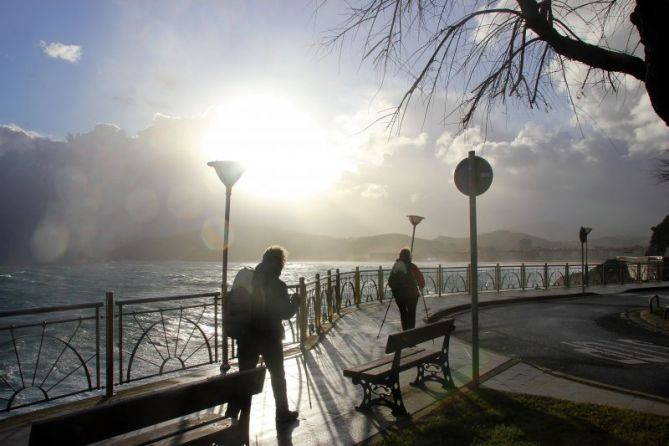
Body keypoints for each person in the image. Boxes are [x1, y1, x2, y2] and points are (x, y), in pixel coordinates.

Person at [225, 246, 300, 425]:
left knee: (245, 376)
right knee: (278, 376)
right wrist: (296, 303)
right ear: (279, 264)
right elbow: (285, 313)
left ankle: (234, 415)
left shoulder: (248, 280)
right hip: (270, 339)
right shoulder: (277, 285)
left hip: (246, 338)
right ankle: (282, 413)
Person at [388, 248, 425, 330]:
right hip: (412, 294)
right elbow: (420, 278)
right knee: (411, 313)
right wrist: (421, 286)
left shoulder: (396, 266)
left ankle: (405, 331)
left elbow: (390, 281)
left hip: (398, 295)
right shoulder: (412, 266)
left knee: (403, 312)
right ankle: (411, 332)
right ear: (409, 256)